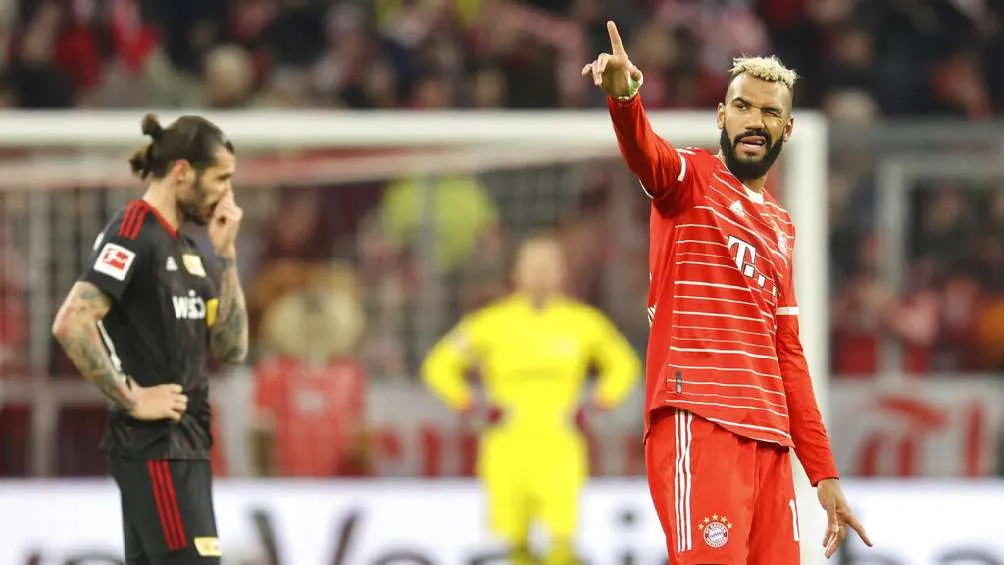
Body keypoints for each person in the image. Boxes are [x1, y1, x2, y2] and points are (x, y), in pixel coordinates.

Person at [581, 21, 873, 564]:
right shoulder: (690, 179)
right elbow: (648, 155)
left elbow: (788, 353)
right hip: (701, 420)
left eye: (770, 113)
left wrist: (824, 472)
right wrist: (625, 101)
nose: (755, 121)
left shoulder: (782, 228)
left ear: (786, 130)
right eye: (744, 107)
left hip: (770, 441)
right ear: (723, 115)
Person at [51, 113, 249, 565]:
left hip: (187, 449)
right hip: (157, 448)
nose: (227, 193)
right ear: (183, 171)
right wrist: (131, 397)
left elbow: (231, 348)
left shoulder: (188, 250)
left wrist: (228, 257)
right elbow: (72, 321)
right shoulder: (134, 230)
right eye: (221, 178)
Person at [421, 234, 641, 565]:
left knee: (561, 544)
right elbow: (438, 366)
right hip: (506, 444)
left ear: (561, 273)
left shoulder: (582, 322)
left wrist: (596, 405)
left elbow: (624, 364)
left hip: (560, 444)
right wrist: (471, 405)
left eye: (548, 264)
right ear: (517, 273)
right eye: (532, 264)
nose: (539, 272)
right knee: (514, 545)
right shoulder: (490, 323)